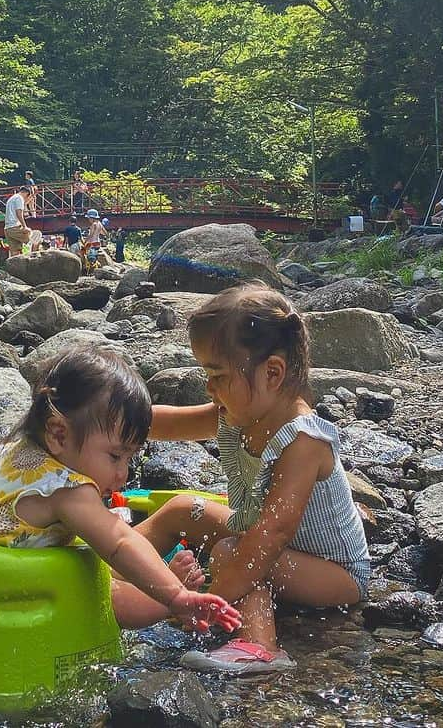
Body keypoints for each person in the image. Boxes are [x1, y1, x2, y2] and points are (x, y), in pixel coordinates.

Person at [138, 285, 370, 675]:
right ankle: (106, 565)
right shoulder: (237, 410)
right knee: (182, 508)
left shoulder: (303, 441)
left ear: (272, 373)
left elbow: (271, 535)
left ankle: (259, 647)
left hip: (334, 573)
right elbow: (164, 423)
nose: (209, 388)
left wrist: (207, 603)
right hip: (263, 541)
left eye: (218, 374)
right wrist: (104, 422)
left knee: (235, 552)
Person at [0, 344, 242, 635]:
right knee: (98, 583)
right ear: (58, 433)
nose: (124, 473)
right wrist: (176, 596)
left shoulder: (10, 453)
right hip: (0, 591)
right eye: (115, 456)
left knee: (90, 549)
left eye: (130, 458)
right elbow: (120, 543)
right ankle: (167, 608)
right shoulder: (67, 489)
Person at [3, 184, 34, 256]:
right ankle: (35, 263)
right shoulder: (19, 198)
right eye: (29, 196)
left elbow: (15, 210)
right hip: (15, 227)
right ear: (27, 193)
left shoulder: (12, 198)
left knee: (15, 252)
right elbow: (19, 213)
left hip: (8, 229)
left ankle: (14, 266)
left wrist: (26, 202)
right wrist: (24, 226)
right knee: (35, 239)